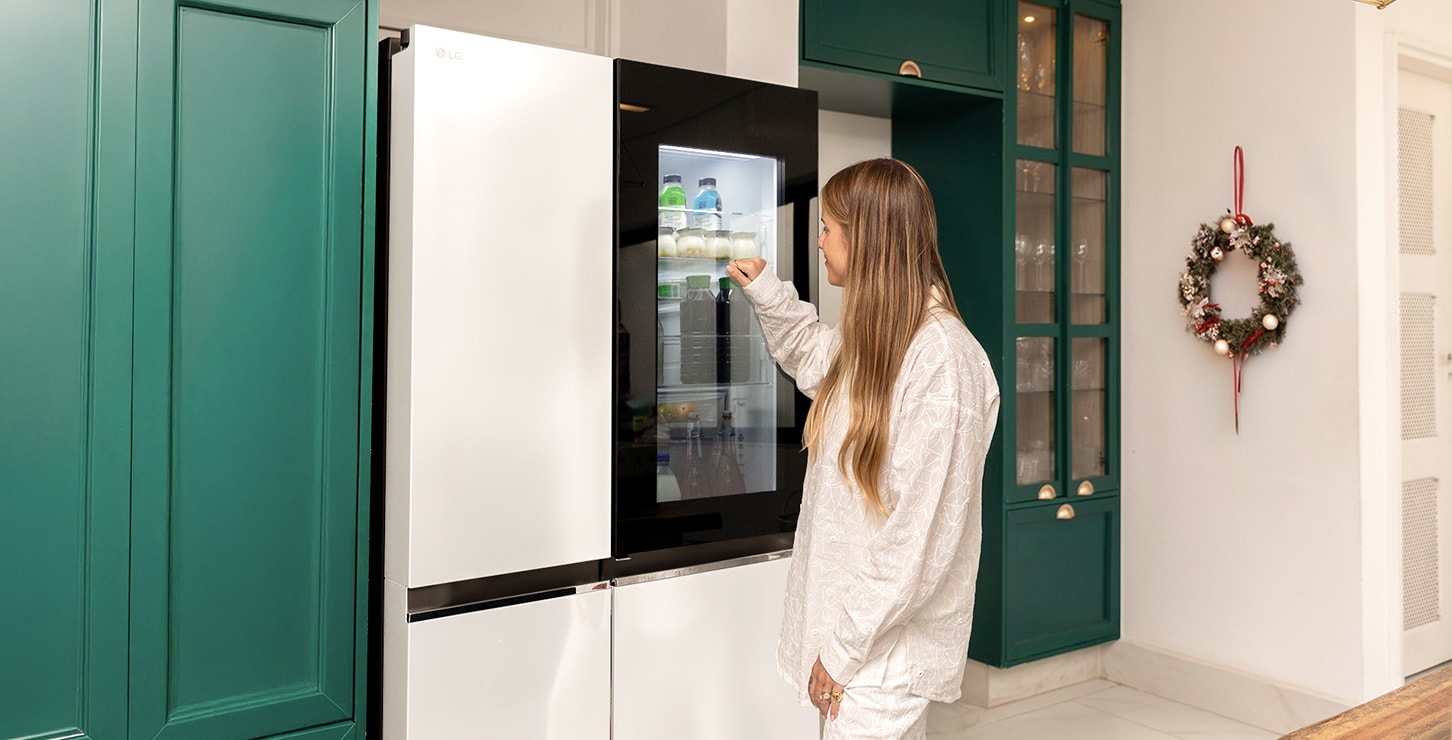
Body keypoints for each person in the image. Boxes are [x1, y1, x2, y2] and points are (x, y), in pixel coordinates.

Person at [725, 158, 1000, 739]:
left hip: (883, 659)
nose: (819, 242)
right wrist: (766, 291)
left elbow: (917, 538)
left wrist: (844, 649)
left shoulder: (943, 363)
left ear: (868, 239)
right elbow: (818, 360)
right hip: (863, 651)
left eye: (827, 228)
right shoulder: (885, 344)